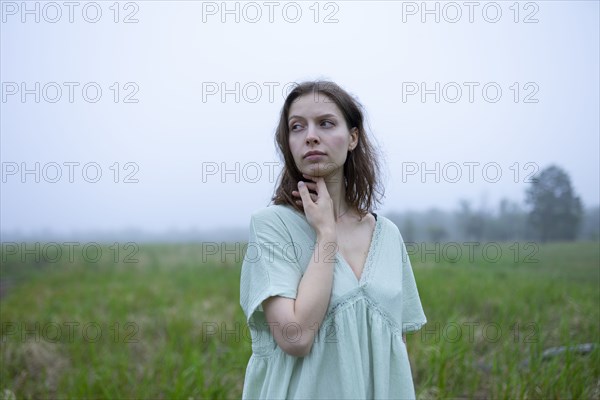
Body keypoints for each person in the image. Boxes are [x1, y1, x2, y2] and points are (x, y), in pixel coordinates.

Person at [239, 80, 427, 399]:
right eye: (297, 127)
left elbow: (397, 344)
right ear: (289, 143)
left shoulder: (388, 235)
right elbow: (295, 338)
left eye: (325, 123)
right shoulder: (272, 226)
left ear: (353, 137)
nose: (311, 135)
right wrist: (326, 235)